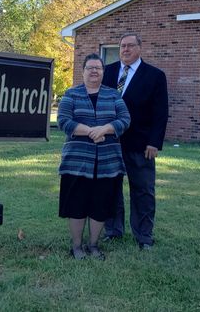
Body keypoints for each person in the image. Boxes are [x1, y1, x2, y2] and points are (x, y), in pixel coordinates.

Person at [57, 53, 130, 260]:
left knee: (100, 206)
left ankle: (94, 245)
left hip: (107, 162)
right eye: (90, 67)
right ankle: (77, 246)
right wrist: (91, 131)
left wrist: (106, 129)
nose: (94, 71)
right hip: (77, 161)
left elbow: (125, 119)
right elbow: (63, 121)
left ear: (103, 72)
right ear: (83, 71)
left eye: (98, 67)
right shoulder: (71, 94)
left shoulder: (114, 95)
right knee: (77, 205)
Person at [103, 33, 168, 250]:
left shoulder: (155, 76)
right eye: (122, 46)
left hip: (141, 145)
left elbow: (160, 113)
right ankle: (113, 230)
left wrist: (154, 142)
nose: (126, 49)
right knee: (111, 188)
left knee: (143, 191)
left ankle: (144, 236)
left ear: (140, 48)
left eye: (131, 45)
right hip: (110, 143)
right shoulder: (108, 72)